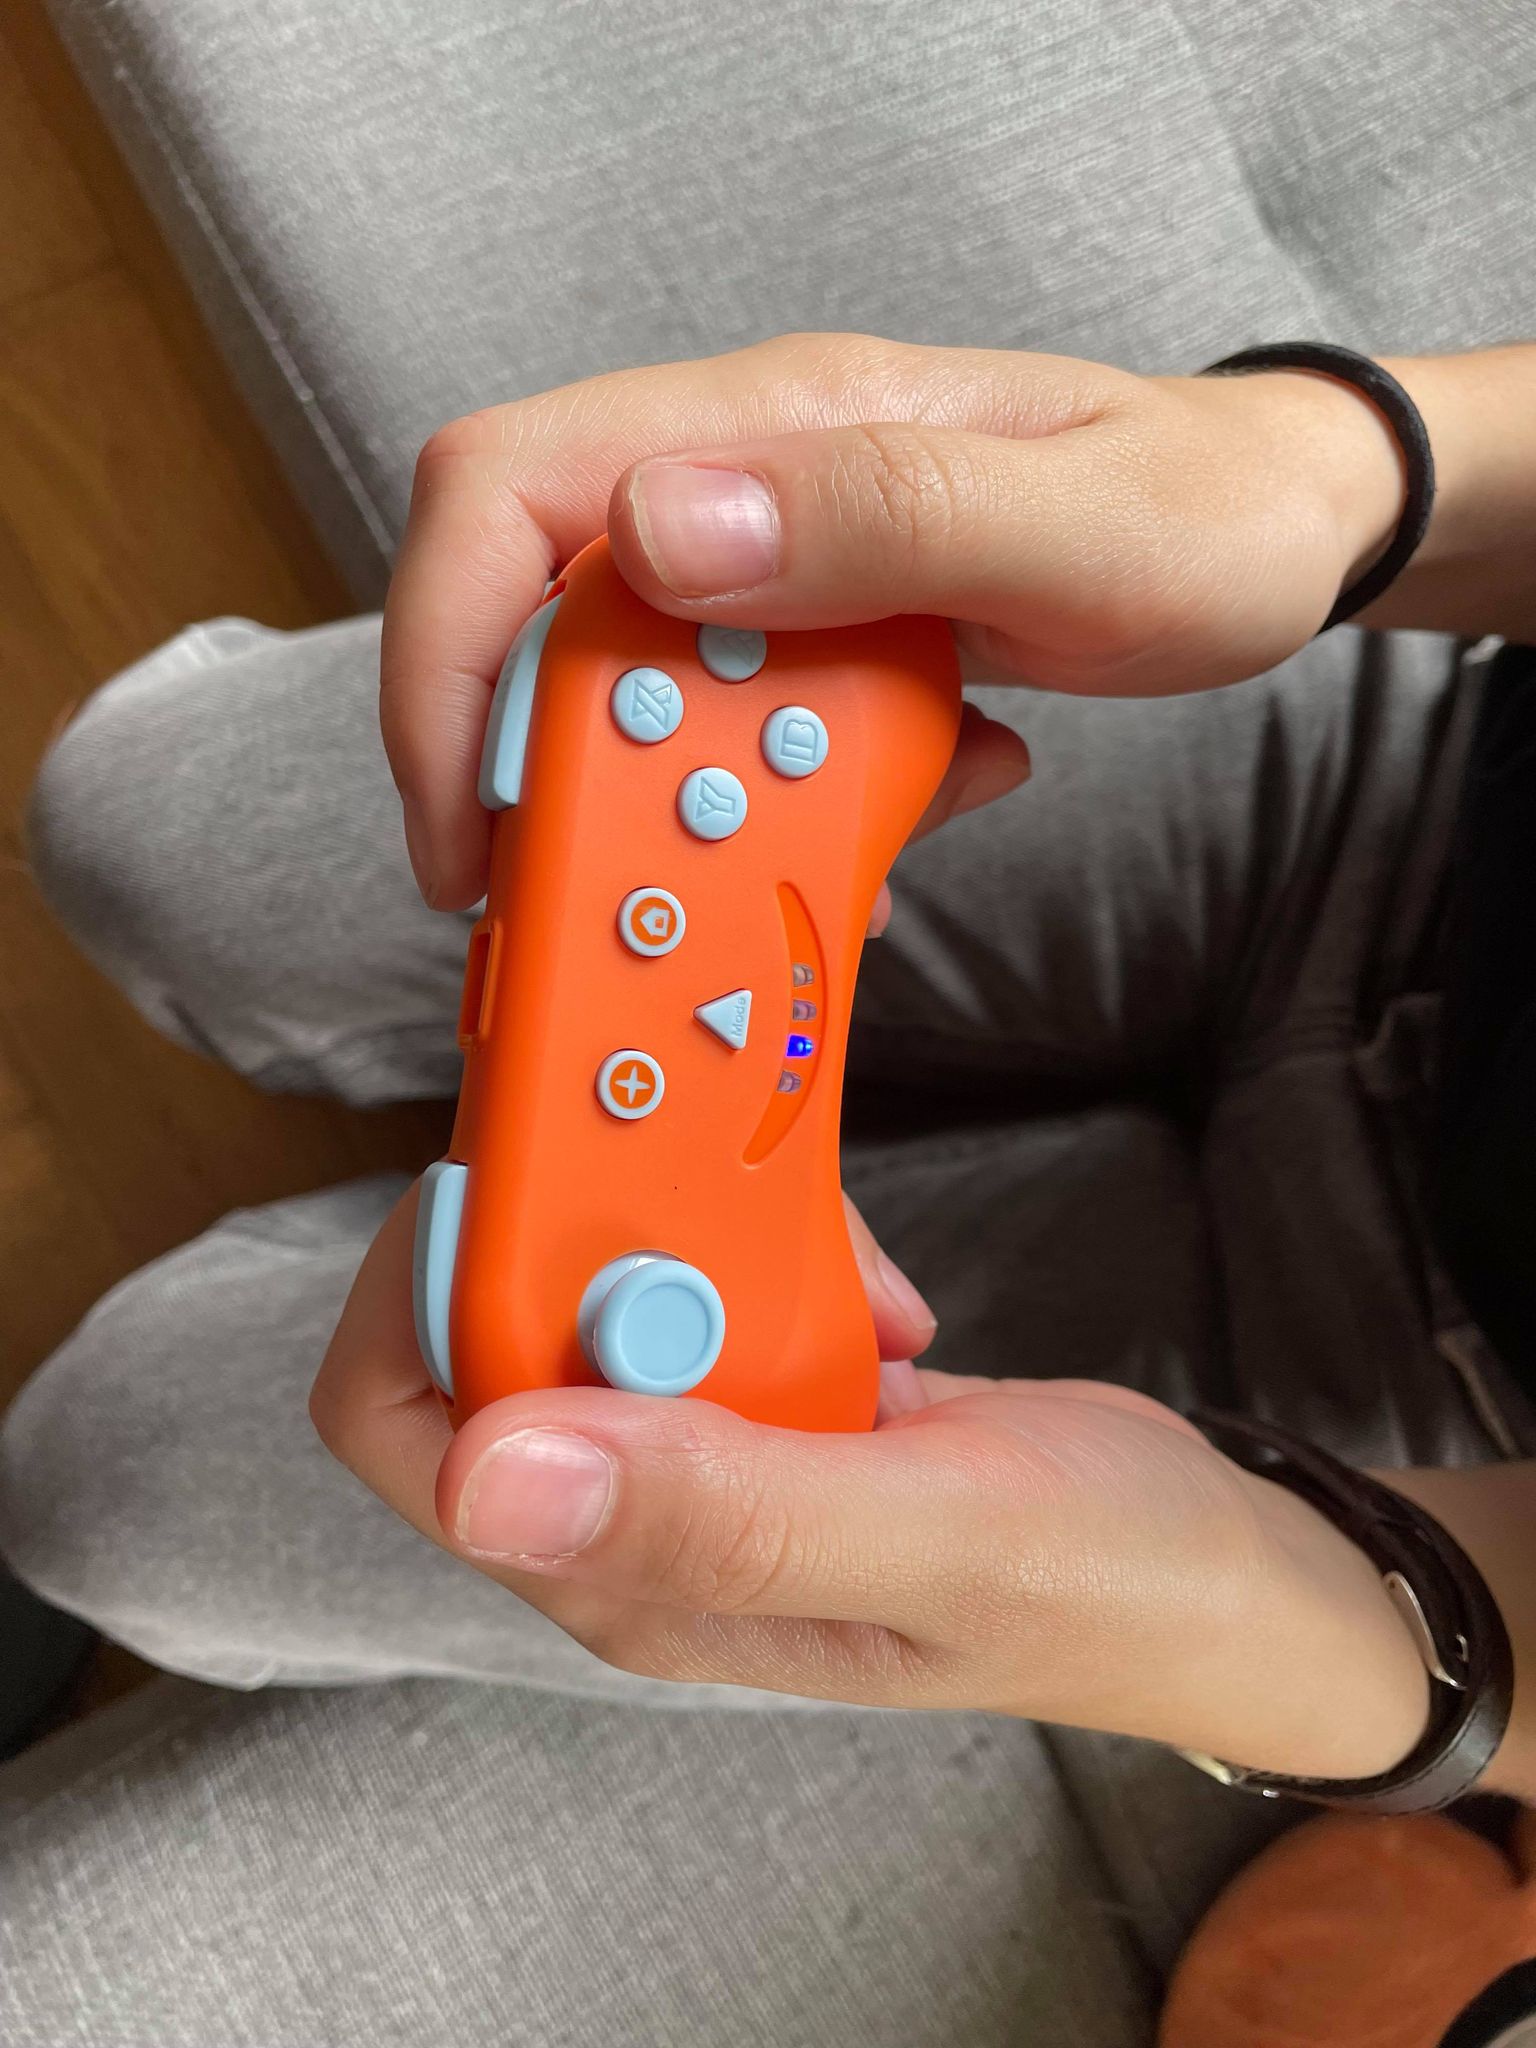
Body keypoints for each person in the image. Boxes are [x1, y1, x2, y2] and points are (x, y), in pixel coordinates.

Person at [2, 334, 1534, 2045]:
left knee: (111, 1477)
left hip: (1415, 1422)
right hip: (1424, 800)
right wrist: (1357, 469)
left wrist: (1295, 1614)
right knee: (138, 823)